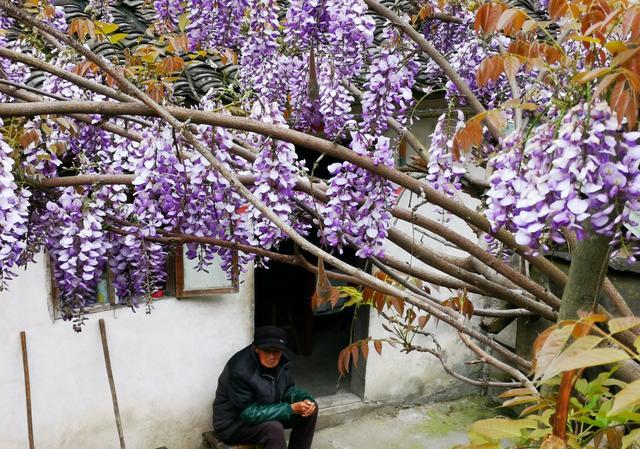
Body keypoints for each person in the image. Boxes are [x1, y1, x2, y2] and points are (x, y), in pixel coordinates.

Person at [213, 326, 318, 449]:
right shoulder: (240, 369)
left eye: (277, 351)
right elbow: (248, 414)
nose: (272, 357)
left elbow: (288, 389)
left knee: (309, 411)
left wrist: (305, 399)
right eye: (267, 351)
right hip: (234, 424)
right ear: (256, 348)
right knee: (273, 429)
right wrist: (289, 409)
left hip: (266, 411)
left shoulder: (282, 361)